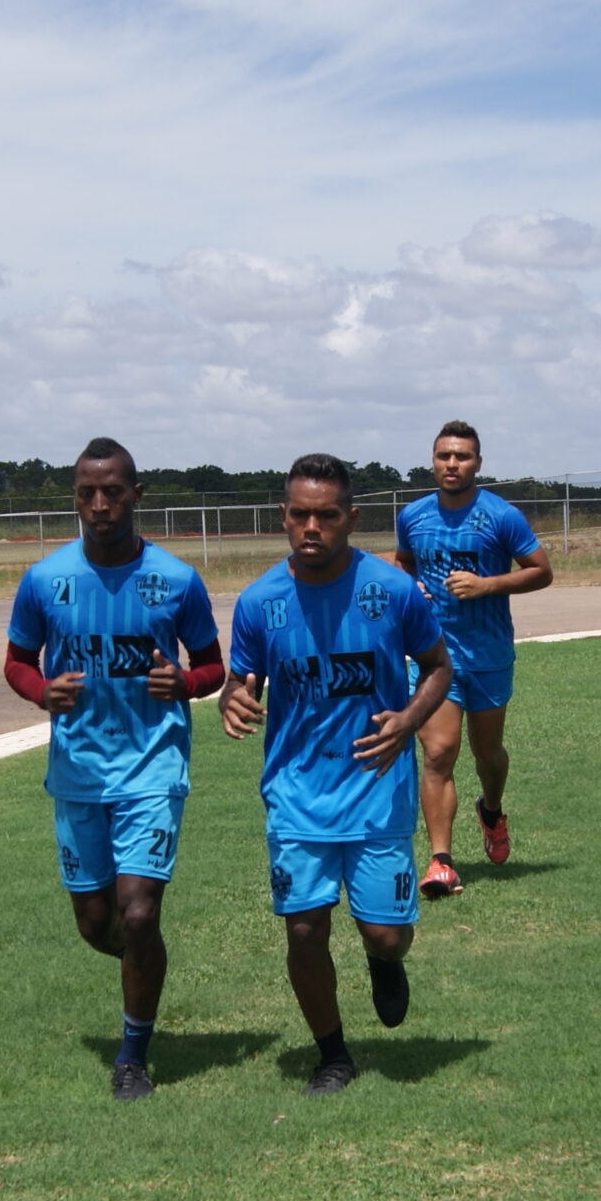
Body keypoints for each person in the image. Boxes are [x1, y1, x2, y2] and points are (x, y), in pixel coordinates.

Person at [2, 438, 226, 1101]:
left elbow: (212, 665)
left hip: (153, 766)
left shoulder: (176, 579)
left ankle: (132, 1056)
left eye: (112, 492)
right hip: (78, 772)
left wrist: (185, 682)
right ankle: (144, 962)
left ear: (136, 495)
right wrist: (42, 691)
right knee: (98, 924)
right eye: (86, 494)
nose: (99, 505)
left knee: (139, 911)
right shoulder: (45, 579)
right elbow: (16, 661)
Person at [222, 453, 452, 1095]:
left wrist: (408, 720)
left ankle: (384, 959)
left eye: (326, 515)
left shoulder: (392, 591)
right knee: (304, 928)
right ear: (283, 516)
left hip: (377, 788)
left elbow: (438, 667)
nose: (311, 527)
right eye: (300, 514)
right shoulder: (258, 602)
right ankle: (333, 1056)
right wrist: (232, 700)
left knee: (388, 934)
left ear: (351, 518)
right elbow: (241, 682)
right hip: (296, 793)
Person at [393, 420, 552, 898]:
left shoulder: (502, 516)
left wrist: (487, 585)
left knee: (488, 755)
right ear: (432, 461)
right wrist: (411, 587)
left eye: (462, 456)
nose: (452, 464)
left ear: (478, 463)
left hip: (488, 654)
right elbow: (404, 562)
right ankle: (441, 862)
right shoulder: (413, 516)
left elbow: (541, 571)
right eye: (444, 456)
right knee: (438, 752)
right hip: (433, 657)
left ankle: (492, 810)